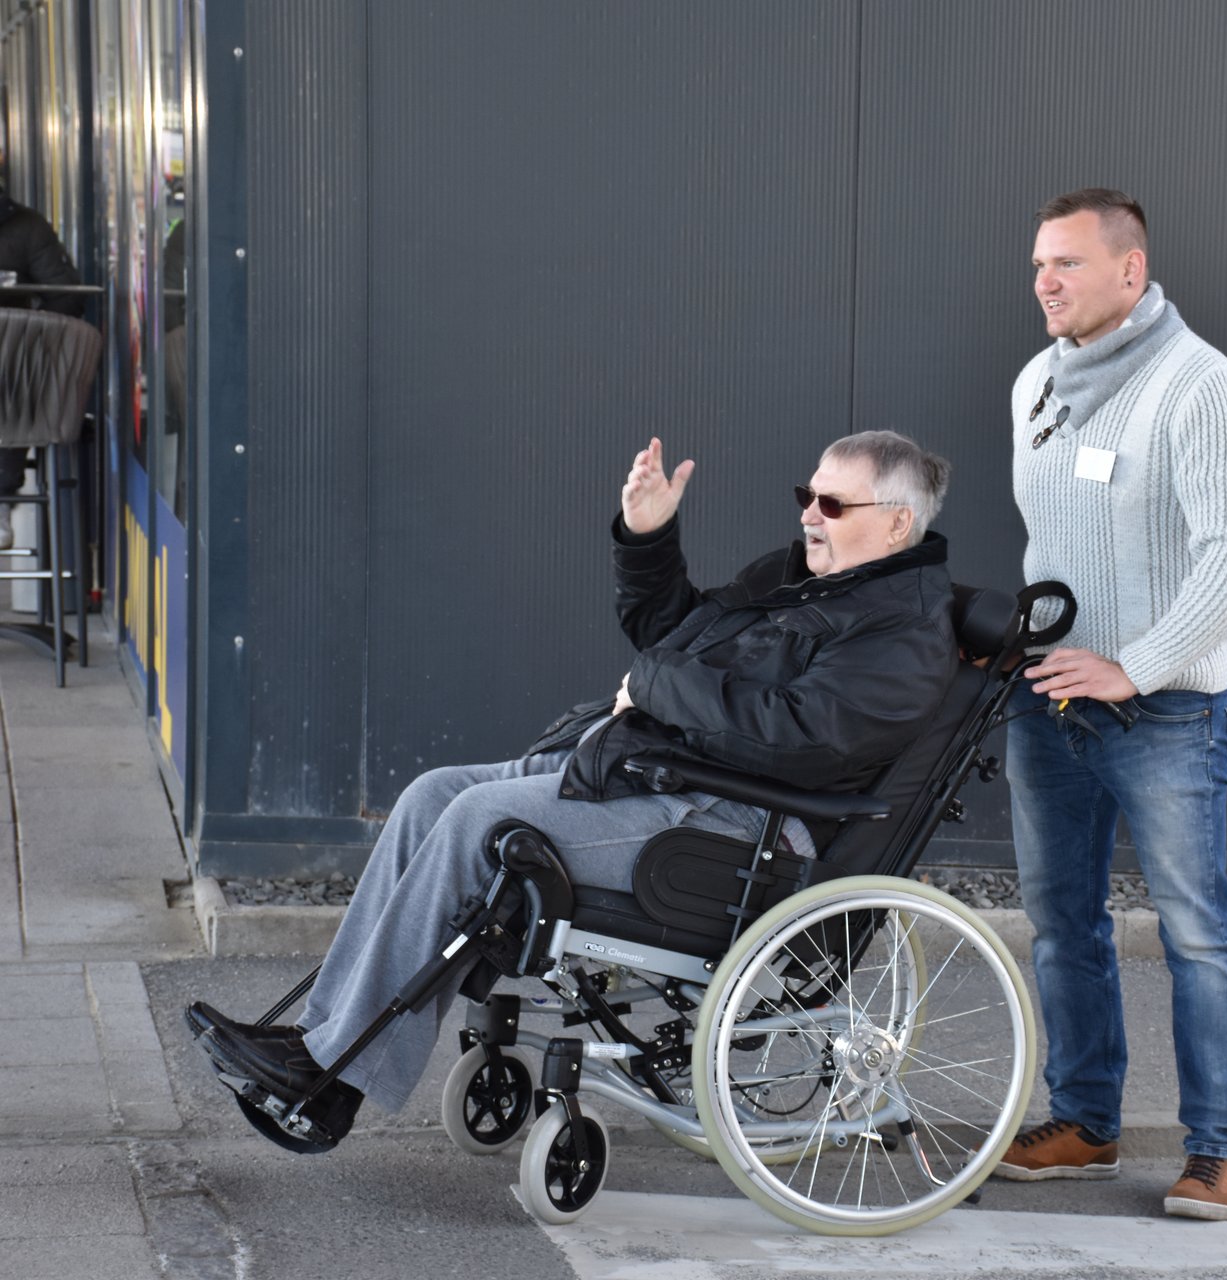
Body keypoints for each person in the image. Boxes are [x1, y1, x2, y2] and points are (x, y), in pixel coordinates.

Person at [187, 430, 957, 1138]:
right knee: (431, 796)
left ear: (897, 524)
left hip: (739, 821)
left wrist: (654, 688)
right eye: (806, 496)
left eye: (832, 504)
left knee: (481, 823)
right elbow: (671, 637)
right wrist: (649, 538)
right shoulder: (802, 583)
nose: (810, 516)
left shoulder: (903, 634)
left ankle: (332, 1072)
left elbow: (799, 739)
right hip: (662, 772)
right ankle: (323, 1045)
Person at [993, 188, 1227, 1220]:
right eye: (1038, 263)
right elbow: (1053, 545)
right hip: (1048, 705)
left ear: (1131, 269)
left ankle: (1218, 1150)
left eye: (1066, 262)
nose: (1045, 282)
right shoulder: (1036, 383)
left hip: (1166, 713)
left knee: (1195, 933)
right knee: (1062, 923)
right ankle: (1085, 1123)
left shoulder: (1201, 386)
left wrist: (1135, 664)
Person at [0, 184, 85, 551]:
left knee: (13, 372)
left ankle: (1, 499)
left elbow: (67, 297)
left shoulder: (26, 226)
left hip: (12, 366)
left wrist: (25, 330)